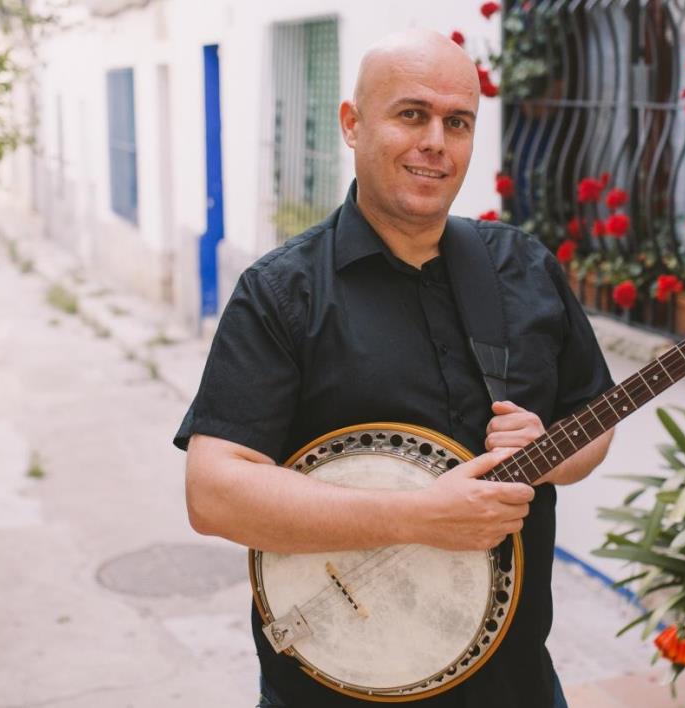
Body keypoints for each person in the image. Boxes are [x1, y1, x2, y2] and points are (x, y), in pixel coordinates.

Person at [174, 29, 615, 708]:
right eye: (412, 114)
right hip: (337, 689)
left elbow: (594, 420)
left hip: (517, 685)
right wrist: (414, 517)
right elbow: (214, 493)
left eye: (457, 122)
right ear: (353, 124)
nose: (436, 140)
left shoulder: (523, 269)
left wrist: (546, 455)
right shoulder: (283, 294)